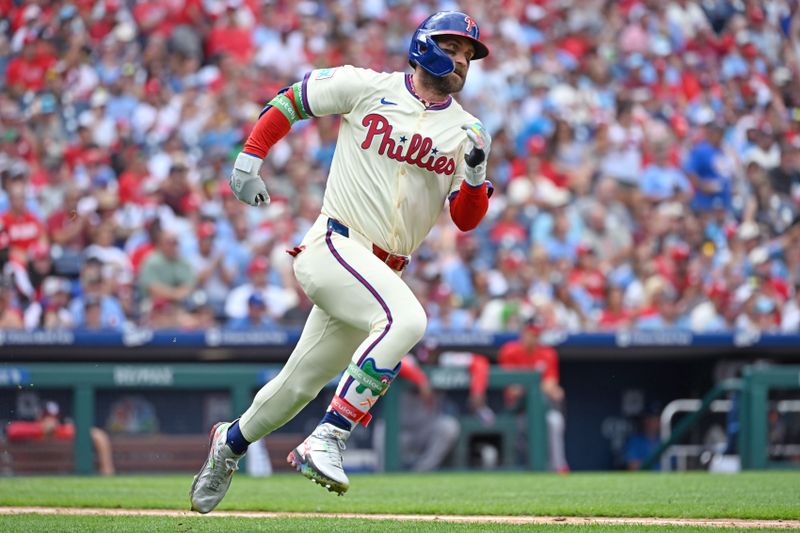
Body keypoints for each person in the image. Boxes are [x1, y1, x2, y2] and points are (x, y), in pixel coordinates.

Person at [190, 10, 493, 513]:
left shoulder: (468, 130)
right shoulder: (365, 86)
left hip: (380, 272)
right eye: (453, 47)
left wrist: (477, 174)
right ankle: (329, 436)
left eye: (468, 55)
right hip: (334, 245)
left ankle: (230, 443)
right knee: (409, 319)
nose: (461, 60)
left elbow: (465, 219)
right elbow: (293, 100)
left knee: (298, 385)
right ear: (423, 45)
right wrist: (250, 156)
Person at [497, 318, 569, 473]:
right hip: (517, 411)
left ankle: (559, 466)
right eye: (530, 334)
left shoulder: (547, 353)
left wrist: (529, 386)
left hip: (542, 409)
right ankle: (519, 469)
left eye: (536, 335)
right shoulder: (509, 351)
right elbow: (512, 389)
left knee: (555, 421)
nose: (533, 338)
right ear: (523, 333)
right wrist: (536, 385)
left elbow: (551, 385)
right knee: (519, 431)